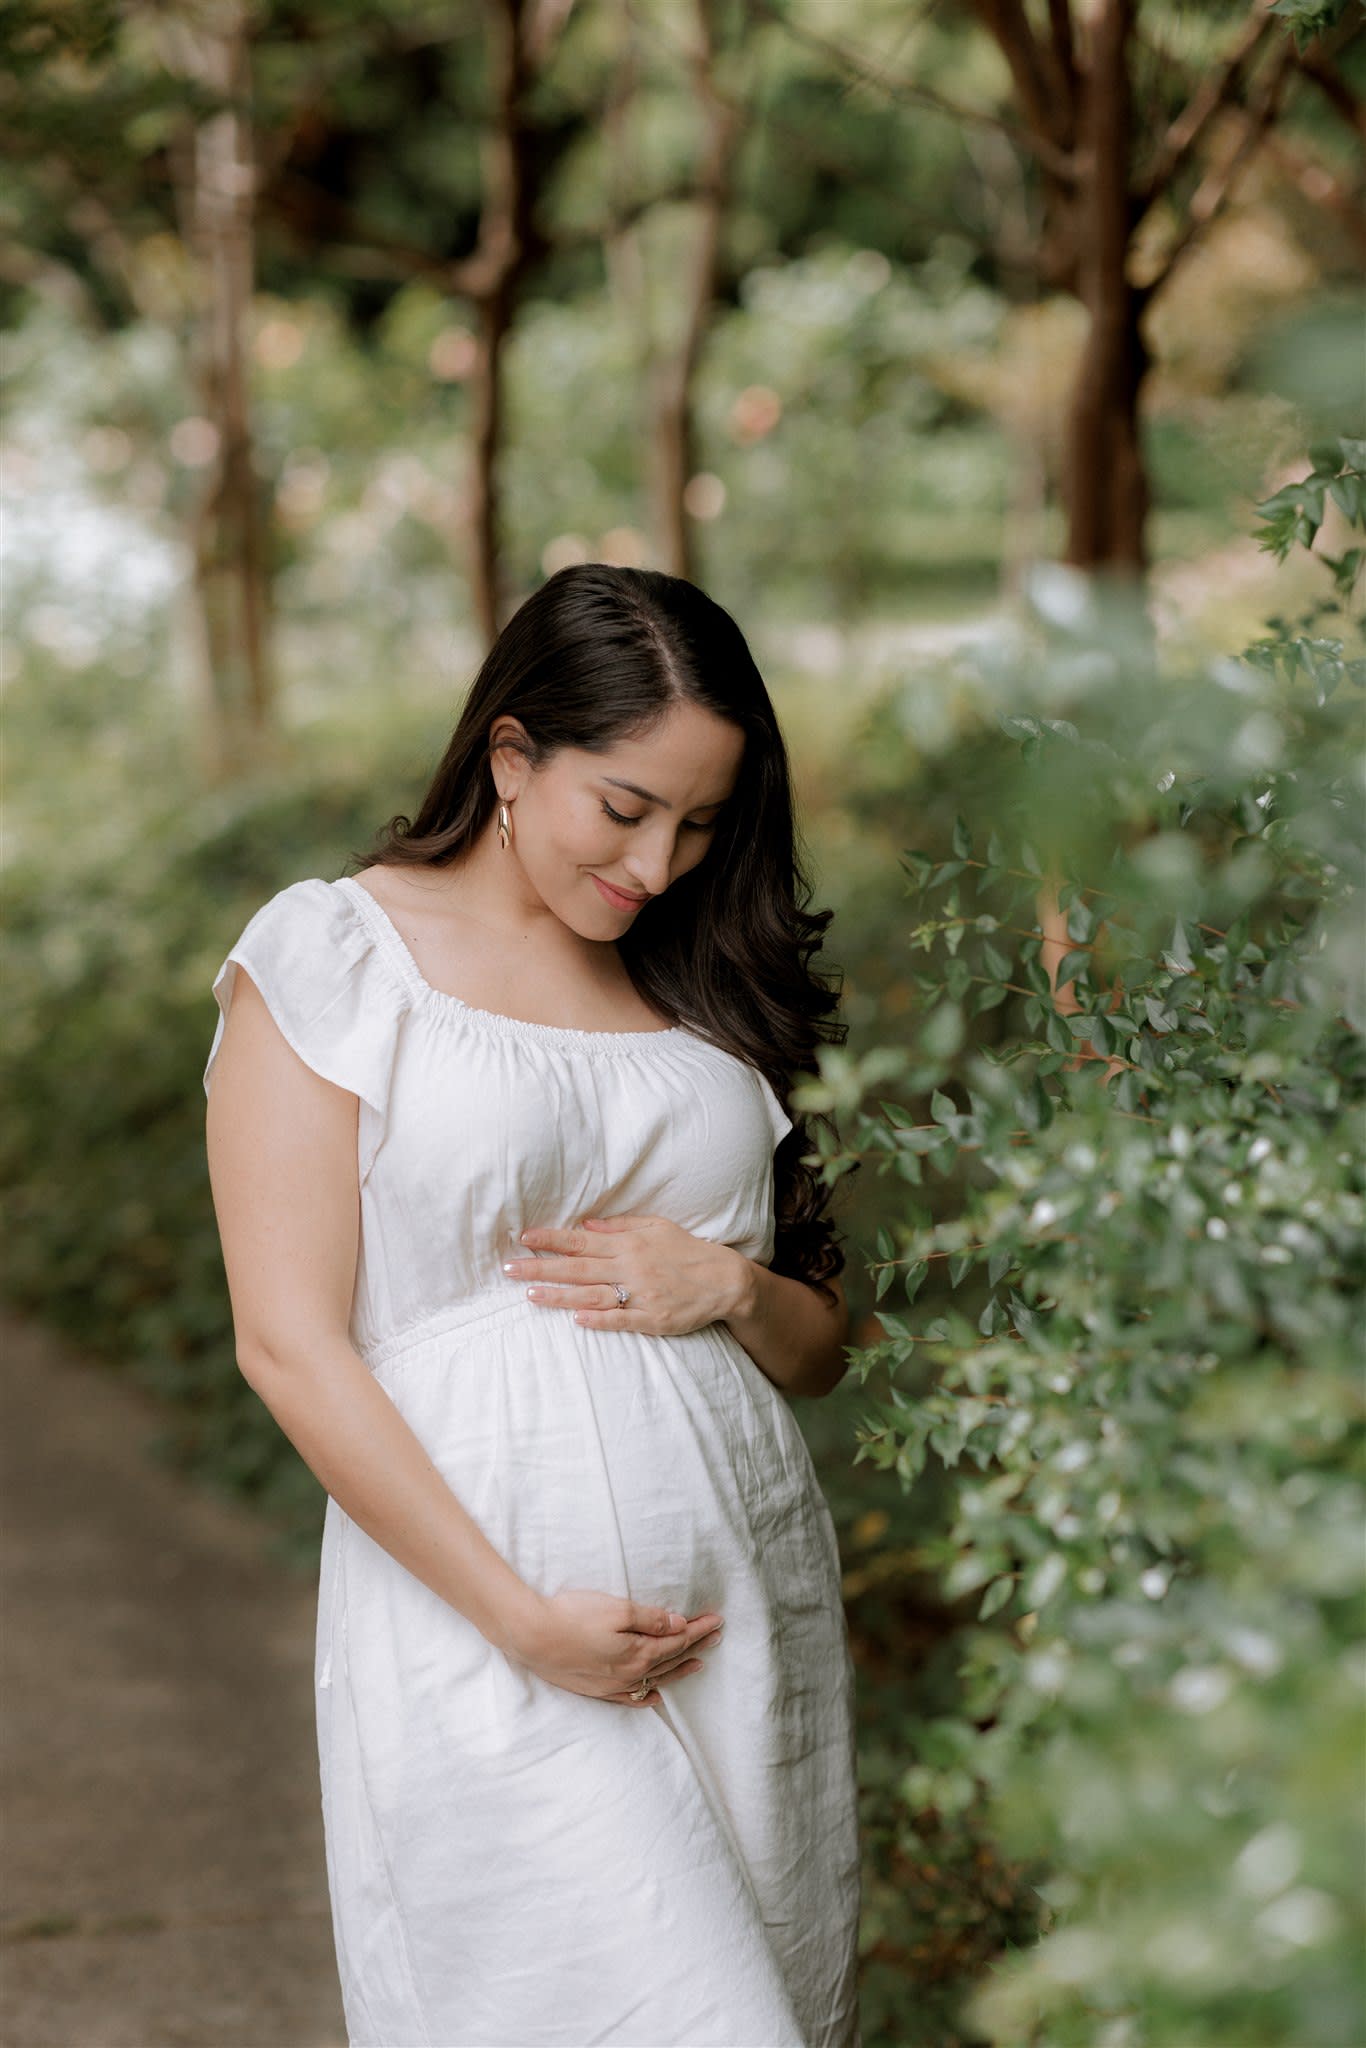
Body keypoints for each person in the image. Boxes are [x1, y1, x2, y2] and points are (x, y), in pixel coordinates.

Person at [202, 563, 862, 2047]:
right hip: (485, 1615)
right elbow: (287, 1345)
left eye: (701, 824)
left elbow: (822, 1347)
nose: (658, 863)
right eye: (623, 808)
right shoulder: (336, 957)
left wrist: (730, 1284)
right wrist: (520, 1619)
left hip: (740, 1609)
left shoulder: (706, 984)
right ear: (511, 756)